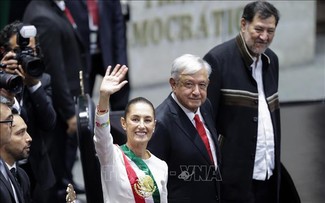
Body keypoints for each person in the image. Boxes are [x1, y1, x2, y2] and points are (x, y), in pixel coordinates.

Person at [203, 1, 281, 202]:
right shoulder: (217, 60)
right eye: (259, 29)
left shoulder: (271, 60)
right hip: (233, 180)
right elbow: (205, 120)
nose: (264, 36)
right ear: (243, 24)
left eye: (270, 31)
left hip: (268, 174)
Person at [23, 0, 88, 200]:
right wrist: (69, 113)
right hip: (59, 111)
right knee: (52, 172)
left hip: (62, 105)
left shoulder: (52, 7)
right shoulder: (43, 16)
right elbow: (55, 70)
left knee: (60, 172)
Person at [147, 54, 221, 203]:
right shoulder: (161, 123)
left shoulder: (205, 106)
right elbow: (153, 181)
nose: (196, 92)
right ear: (173, 84)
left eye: (202, 85)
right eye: (189, 84)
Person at [0, 20, 57, 202]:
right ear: (4, 52)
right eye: (18, 52)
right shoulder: (1, 80)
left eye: (29, 52)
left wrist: (33, 85)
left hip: (37, 170)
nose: (24, 57)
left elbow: (49, 123)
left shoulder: (43, 80)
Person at [94, 64, 168, 203]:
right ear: (124, 123)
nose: (141, 125)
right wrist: (104, 97)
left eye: (147, 120)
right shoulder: (111, 156)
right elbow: (101, 136)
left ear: (154, 125)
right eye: (135, 119)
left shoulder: (161, 166)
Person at [65, 0, 130, 110]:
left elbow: (119, 26)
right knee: (84, 103)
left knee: (120, 101)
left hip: (107, 52)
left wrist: (121, 62)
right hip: (82, 57)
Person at [0, 114, 33, 203]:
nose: (29, 138)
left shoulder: (23, 176)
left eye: (26, 131)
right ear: (3, 137)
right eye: (20, 133)